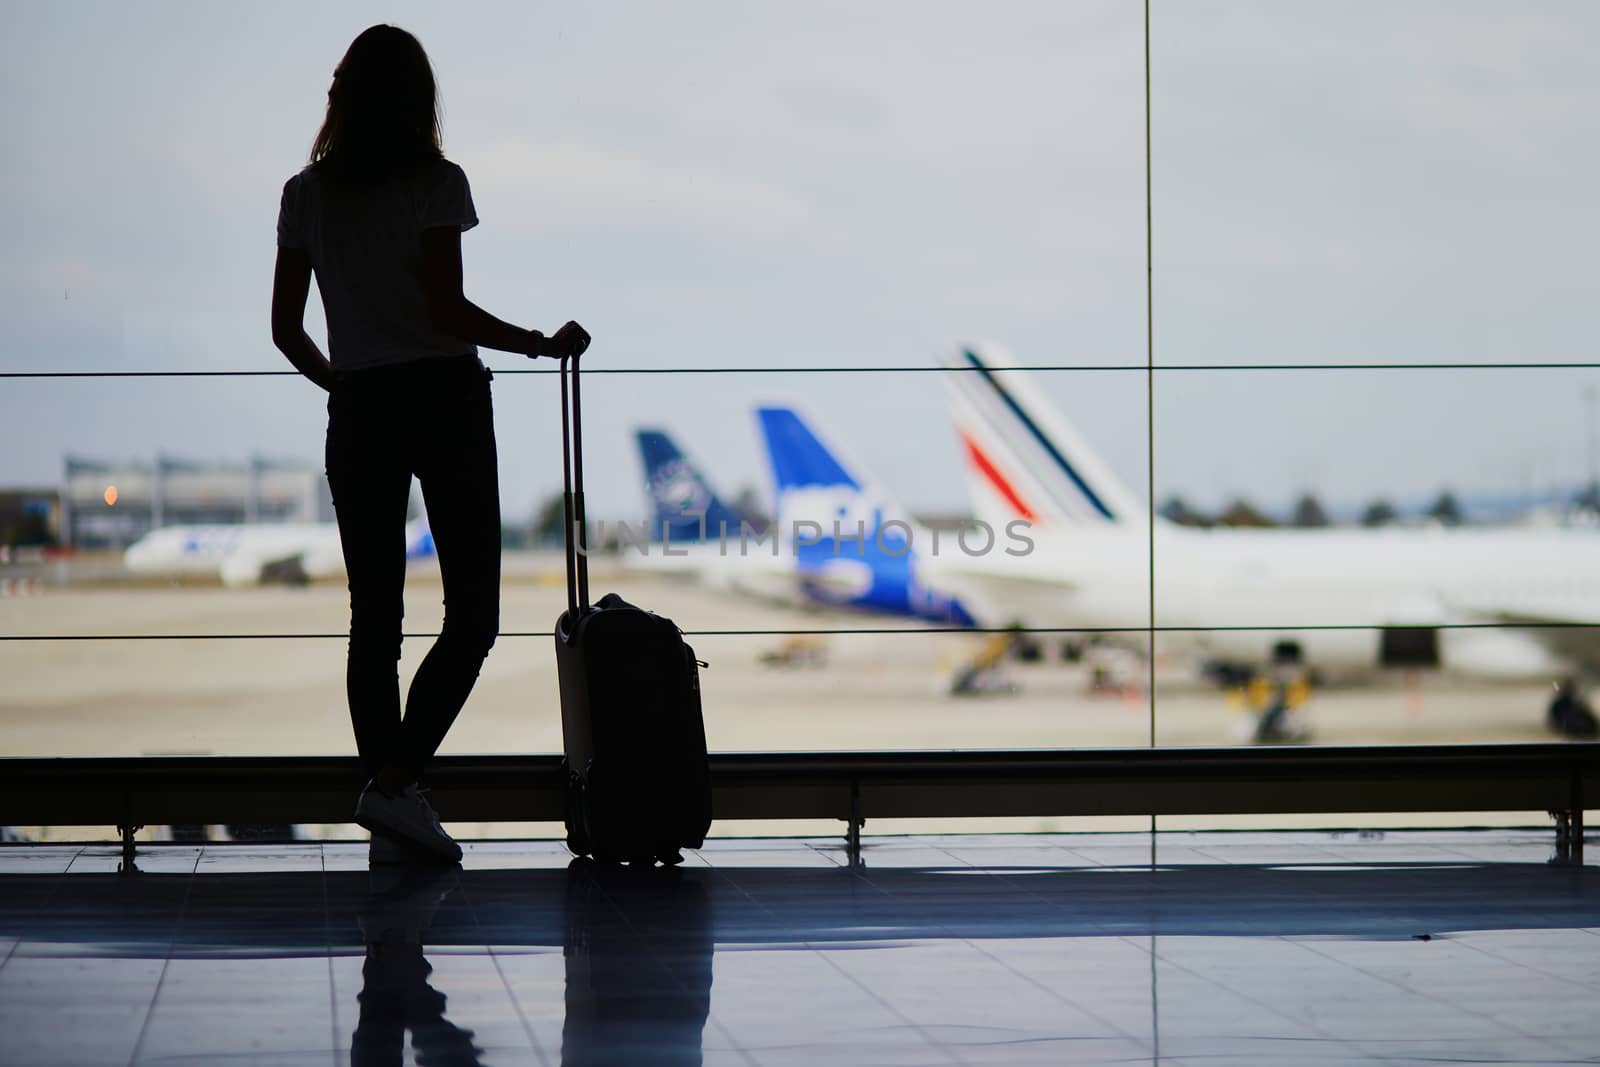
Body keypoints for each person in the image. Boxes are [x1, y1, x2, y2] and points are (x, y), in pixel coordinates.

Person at [271, 24, 589, 864]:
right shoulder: (435, 184)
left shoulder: (305, 195)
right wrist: (535, 342)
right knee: (473, 615)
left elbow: (284, 329)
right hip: (444, 398)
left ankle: (393, 790)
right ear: (419, 98)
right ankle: (397, 785)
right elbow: (447, 311)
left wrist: (342, 383)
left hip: (362, 405)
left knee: (374, 620)